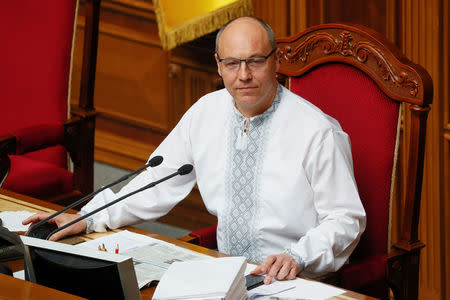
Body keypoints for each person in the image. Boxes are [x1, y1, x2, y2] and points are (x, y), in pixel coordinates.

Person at [24, 16, 366, 284]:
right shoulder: (207, 111)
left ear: (276, 61)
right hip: (225, 276)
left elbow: (346, 219)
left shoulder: (316, 130)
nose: (243, 75)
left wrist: (297, 256)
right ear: (218, 65)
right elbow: (156, 179)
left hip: (295, 281)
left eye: (255, 62)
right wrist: (89, 217)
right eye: (232, 64)